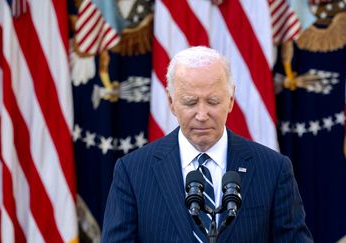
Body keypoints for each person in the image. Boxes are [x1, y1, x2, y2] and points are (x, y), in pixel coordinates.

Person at [101, 46, 313, 242]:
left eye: (213, 101)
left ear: (230, 100)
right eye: (190, 102)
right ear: (171, 102)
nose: (202, 115)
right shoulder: (133, 172)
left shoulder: (273, 169)